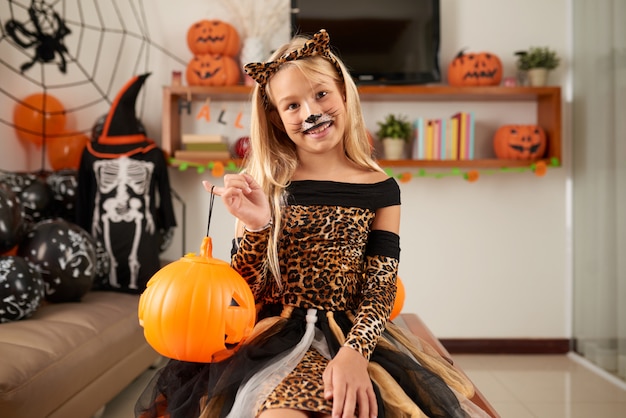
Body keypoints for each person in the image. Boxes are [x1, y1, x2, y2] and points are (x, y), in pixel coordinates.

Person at [135, 29, 489, 418]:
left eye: (321, 94)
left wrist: (355, 354)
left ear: (342, 91)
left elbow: (381, 284)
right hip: (272, 340)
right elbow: (244, 297)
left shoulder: (381, 189)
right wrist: (257, 227)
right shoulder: (263, 186)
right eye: (292, 105)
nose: (311, 113)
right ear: (275, 116)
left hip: (353, 337)